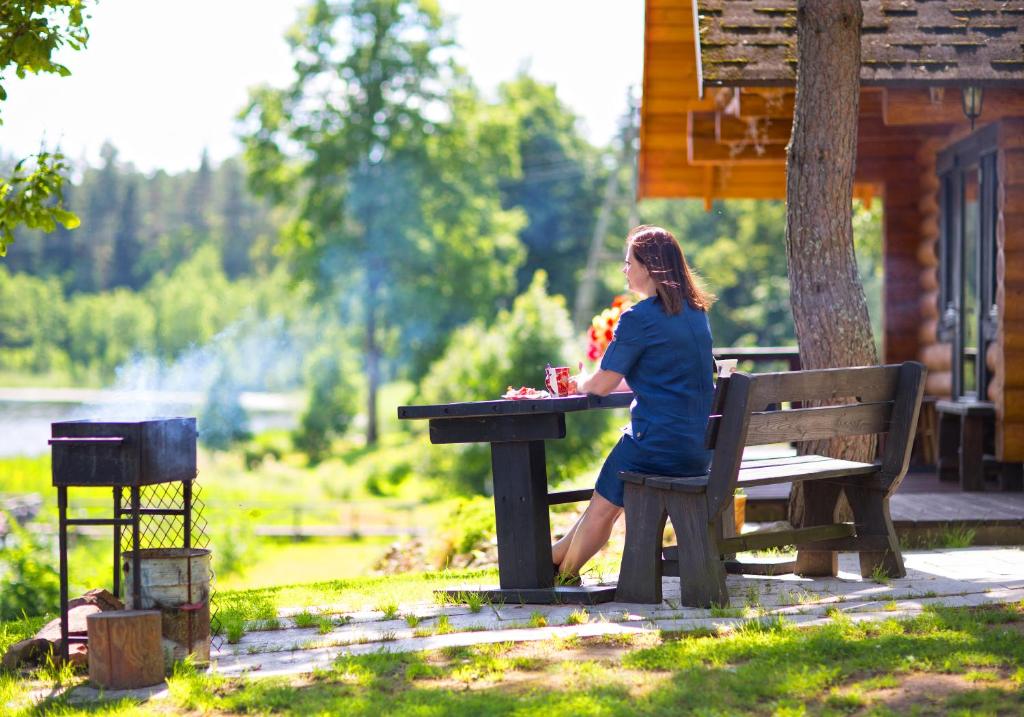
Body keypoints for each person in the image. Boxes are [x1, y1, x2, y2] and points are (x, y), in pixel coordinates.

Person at [552, 225, 716, 579]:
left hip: (656, 444)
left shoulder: (638, 318)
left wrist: (578, 382)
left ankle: (561, 577)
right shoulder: (695, 312)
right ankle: (551, 558)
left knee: (601, 510)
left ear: (651, 267)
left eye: (629, 263)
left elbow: (601, 384)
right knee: (601, 501)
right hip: (699, 447)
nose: (624, 270)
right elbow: (668, 371)